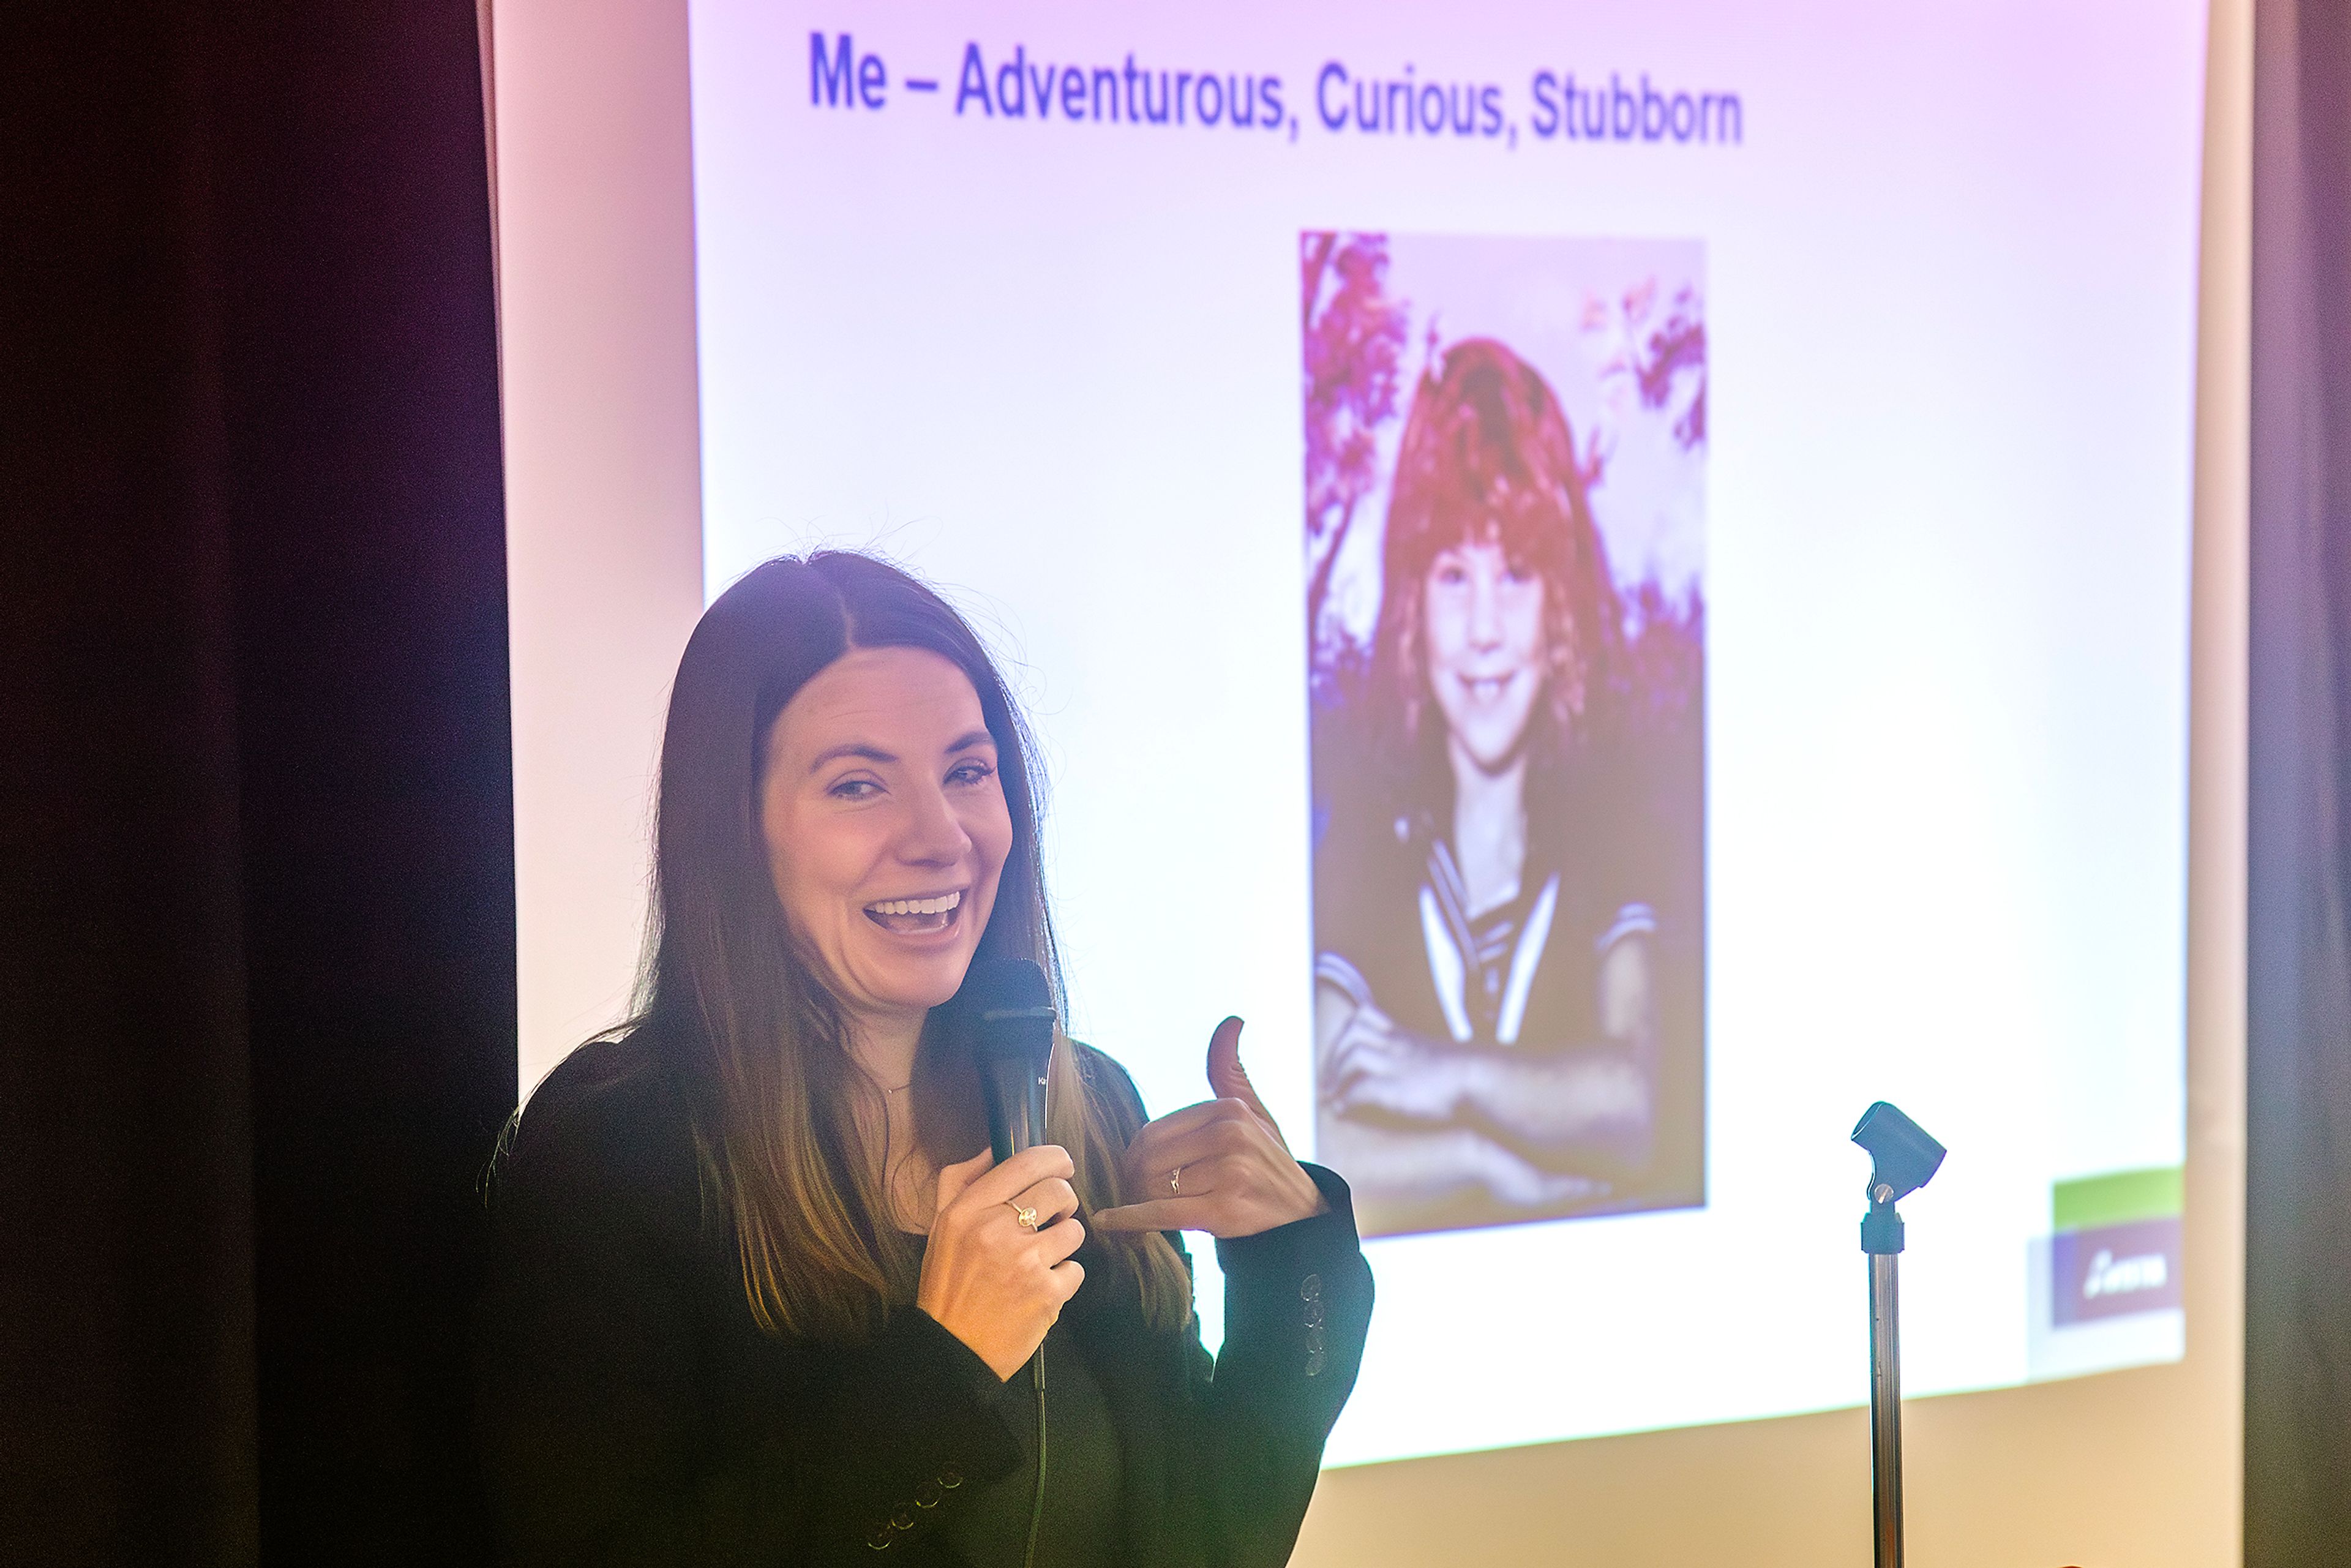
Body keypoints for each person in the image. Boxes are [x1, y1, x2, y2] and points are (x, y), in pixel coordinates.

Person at [476, 552, 1373, 1566]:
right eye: (859, 785)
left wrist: (1288, 1256)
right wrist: (945, 1371)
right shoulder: (615, 1160)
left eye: (967, 772)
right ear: (734, 829)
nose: (941, 836)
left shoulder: (1082, 1106)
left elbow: (1210, 1543)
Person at [1314, 337, 1663, 1236]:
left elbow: (1637, 1104)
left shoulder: (1618, 824)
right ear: (1409, 604)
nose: (1482, 630)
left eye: (1515, 575)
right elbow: (1315, 1139)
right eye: (1453, 577)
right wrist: (1485, 1163)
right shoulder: (1362, 836)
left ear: (1563, 605)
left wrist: (1448, 1075)